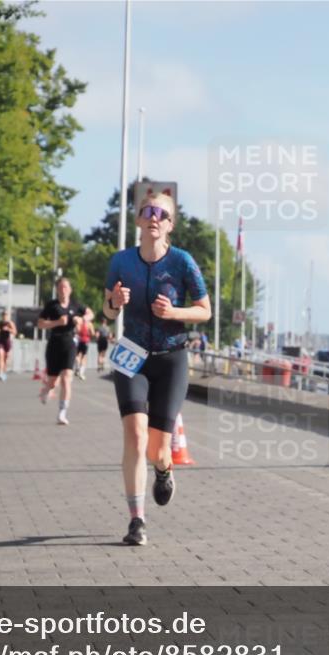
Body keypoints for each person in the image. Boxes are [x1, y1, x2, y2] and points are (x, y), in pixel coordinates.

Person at [103, 189, 210, 545]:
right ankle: (137, 520)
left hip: (171, 357)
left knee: (157, 450)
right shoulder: (121, 261)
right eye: (148, 211)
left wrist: (174, 312)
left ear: (170, 225)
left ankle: (164, 469)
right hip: (131, 354)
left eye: (161, 214)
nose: (154, 218)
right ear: (138, 219)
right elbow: (107, 310)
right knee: (135, 435)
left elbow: (205, 310)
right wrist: (115, 303)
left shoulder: (182, 262)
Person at [37, 277, 92, 425]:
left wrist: (82, 319)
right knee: (53, 381)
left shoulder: (75, 305)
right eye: (60, 287)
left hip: (70, 344)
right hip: (54, 344)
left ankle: (62, 413)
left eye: (66, 287)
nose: (63, 290)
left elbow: (90, 313)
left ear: (70, 290)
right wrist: (57, 322)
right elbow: (40, 324)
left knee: (67, 378)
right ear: (57, 289)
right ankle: (46, 390)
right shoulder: (51, 305)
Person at [0, 310, 16, 381]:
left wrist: (8, 329)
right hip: (0, 341)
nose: (4, 316)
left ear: (8, 316)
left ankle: (4, 372)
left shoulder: (10, 323)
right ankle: (0, 373)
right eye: (3, 314)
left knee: (5, 359)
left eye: (6, 314)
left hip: (7, 342)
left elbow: (15, 332)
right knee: (1, 356)